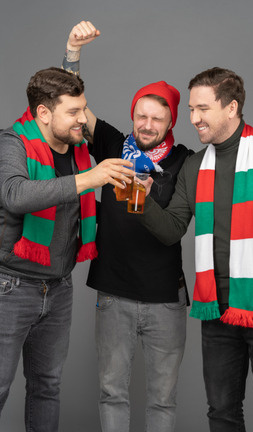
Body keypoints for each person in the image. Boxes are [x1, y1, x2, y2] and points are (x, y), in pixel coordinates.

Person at [61, 21, 253, 432]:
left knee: (166, 402)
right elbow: (73, 106)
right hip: (114, 293)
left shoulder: (185, 159)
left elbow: (175, 225)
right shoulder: (112, 146)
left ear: (170, 122)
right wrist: (72, 53)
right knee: (115, 393)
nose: (146, 125)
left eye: (157, 118)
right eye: (141, 116)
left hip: (168, 298)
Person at [139, 66, 253, 431]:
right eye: (191, 109)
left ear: (232, 107)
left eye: (202, 109)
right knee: (221, 413)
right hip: (217, 309)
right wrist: (140, 200)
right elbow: (172, 228)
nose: (193, 119)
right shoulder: (194, 165)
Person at [0, 66, 133, 432]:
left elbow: (81, 208)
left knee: (47, 387)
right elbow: (14, 195)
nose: (82, 120)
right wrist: (88, 179)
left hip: (58, 289)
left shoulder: (76, 149)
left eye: (83, 109)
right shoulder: (12, 143)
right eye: (73, 112)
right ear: (43, 113)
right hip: (10, 287)